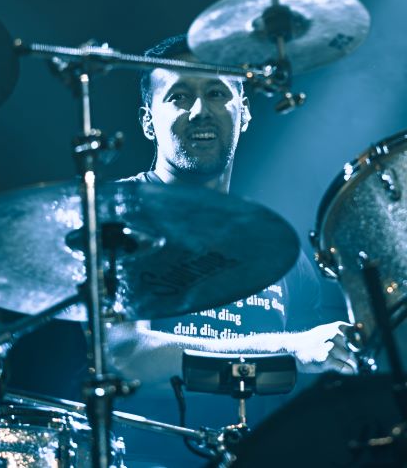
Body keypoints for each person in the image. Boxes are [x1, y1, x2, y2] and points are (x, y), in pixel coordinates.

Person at [107, 35, 354, 386]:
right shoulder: (118, 214)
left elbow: (313, 375)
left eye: (216, 93)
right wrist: (288, 348)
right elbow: (124, 356)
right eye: (179, 97)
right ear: (148, 122)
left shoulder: (275, 244)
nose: (200, 111)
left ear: (245, 113)